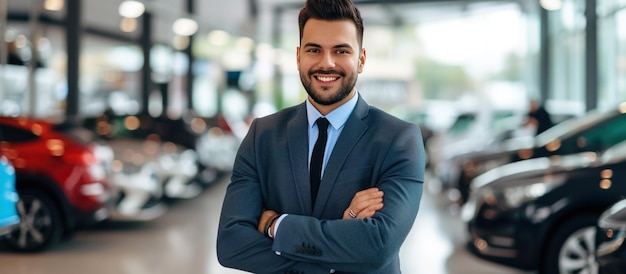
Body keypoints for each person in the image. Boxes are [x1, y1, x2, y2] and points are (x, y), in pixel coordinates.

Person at [216, 0, 425, 273]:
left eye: (341, 50)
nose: (326, 63)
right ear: (299, 56)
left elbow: (378, 245)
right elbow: (232, 244)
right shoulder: (262, 135)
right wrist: (346, 234)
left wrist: (275, 225)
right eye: (314, 50)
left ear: (360, 60)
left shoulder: (399, 139)